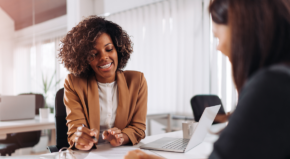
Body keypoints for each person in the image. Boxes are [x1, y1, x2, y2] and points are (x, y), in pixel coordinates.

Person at [124, 0, 290, 158]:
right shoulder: (280, 80)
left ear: (243, 30)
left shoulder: (270, 88)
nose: (219, 47)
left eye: (217, 36)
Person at [58, 16, 148, 150]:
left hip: (121, 154)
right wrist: (80, 139)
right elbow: (75, 130)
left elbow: (138, 128)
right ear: (84, 59)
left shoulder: (137, 81)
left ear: (118, 49)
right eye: (93, 54)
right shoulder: (73, 83)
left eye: (109, 49)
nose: (104, 57)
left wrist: (121, 137)